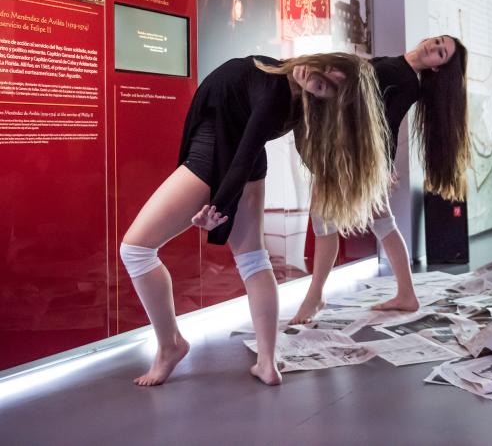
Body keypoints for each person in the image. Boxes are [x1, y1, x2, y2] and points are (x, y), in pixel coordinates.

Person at [119, 53, 390, 386]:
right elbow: (247, 149)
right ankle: (266, 362)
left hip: (215, 157)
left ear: (321, 99)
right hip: (234, 160)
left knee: (135, 250)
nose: (311, 76)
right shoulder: (286, 85)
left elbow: (243, 152)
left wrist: (218, 207)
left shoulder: (278, 94)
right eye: (322, 70)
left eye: (320, 86)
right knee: (253, 259)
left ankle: (170, 345)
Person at [289, 35, 471, 324]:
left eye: (441, 53)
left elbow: (383, 121)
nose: (433, 48)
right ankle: (404, 294)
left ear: (438, 67)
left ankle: (316, 297)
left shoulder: (406, 79)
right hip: (355, 155)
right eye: (437, 42)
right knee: (367, 222)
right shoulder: (398, 66)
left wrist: (382, 166)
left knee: (331, 221)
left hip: (358, 158)